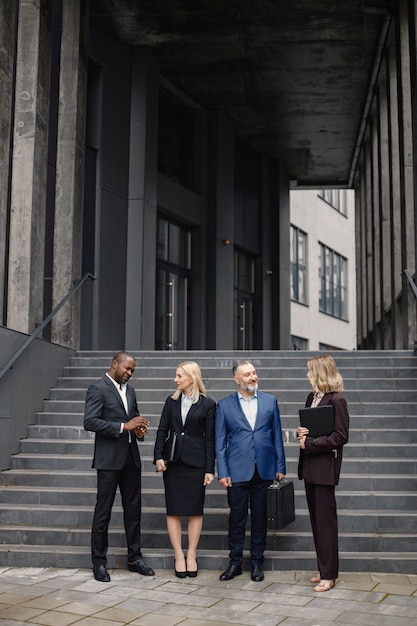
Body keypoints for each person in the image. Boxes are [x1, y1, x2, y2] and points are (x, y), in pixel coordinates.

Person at [84, 351, 154, 582]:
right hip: (109, 461)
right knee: (102, 512)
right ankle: (99, 563)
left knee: (133, 512)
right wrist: (124, 426)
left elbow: (133, 419)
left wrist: (139, 430)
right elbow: (90, 421)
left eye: (132, 370)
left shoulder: (130, 391)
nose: (129, 373)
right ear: (114, 364)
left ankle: (135, 558)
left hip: (131, 460)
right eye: (126, 368)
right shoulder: (98, 388)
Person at [215, 360, 286, 582]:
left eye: (254, 373)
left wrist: (280, 466)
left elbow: (277, 435)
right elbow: (220, 442)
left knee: (259, 519)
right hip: (236, 471)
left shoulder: (270, 401)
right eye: (247, 374)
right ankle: (235, 563)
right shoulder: (224, 406)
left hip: (264, 470)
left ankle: (257, 563)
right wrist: (223, 471)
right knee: (236, 519)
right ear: (237, 379)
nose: (253, 377)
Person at [153, 361, 216, 578]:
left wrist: (210, 469)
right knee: (174, 509)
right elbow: (162, 430)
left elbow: (211, 439)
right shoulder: (170, 402)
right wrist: (158, 457)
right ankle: (178, 555)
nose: (176, 379)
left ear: (191, 377)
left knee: (195, 510)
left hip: (196, 463)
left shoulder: (208, 405)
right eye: (176, 375)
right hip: (173, 462)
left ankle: (191, 554)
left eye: (179, 376)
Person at [297, 354, 349, 593]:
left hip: (325, 469)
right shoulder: (312, 398)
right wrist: (303, 432)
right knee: (317, 523)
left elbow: (340, 437)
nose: (308, 375)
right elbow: (315, 429)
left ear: (319, 372)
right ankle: (324, 568)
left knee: (326, 524)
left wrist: (311, 443)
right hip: (309, 468)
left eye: (310, 371)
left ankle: (329, 575)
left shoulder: (337, 400)